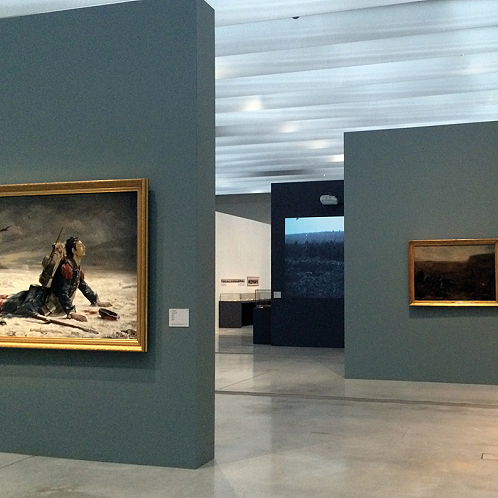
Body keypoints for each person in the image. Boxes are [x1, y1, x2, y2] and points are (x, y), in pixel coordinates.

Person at [0, 237, 108, 322]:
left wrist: (95, 300)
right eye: (80, 246)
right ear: (73, 250)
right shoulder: (66, 267)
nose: (84, 247)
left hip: (58, 305)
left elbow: (82, 285)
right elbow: (62, 292)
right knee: (10, 305)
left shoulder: (75, 267)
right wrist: (71, 311)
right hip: (46, 302)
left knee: (12, 301)